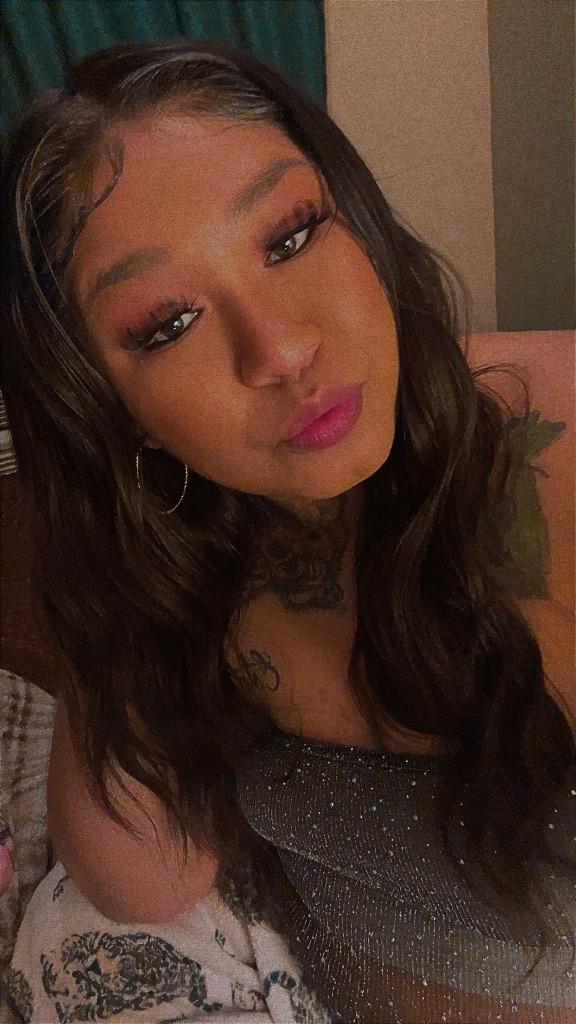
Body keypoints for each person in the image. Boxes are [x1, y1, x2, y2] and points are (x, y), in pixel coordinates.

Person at [1, 37, 574, 1024]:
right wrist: (110, 566)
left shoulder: (546, 437)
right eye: (166, 324)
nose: (280, 350)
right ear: (117, 410)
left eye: (291, 235)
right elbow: (144, 881)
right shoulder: (194, 559)